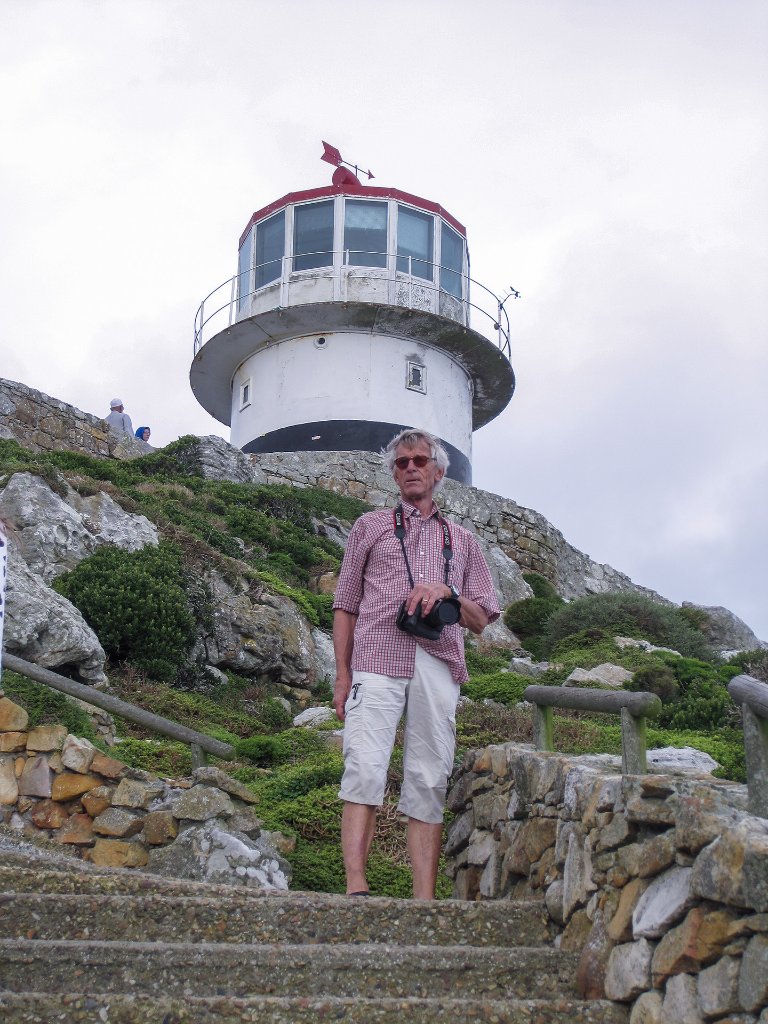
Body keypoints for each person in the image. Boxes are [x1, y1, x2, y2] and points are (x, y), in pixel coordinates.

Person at [332, 427, 500, 899]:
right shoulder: (369, 527)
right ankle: (356, 889)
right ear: (393, 472)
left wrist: (446, 591)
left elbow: (482, 618)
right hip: (377, 656)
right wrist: (342, 677)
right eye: (401, 462)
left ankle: (423, 900)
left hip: (439, 662)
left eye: (419, 460)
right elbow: (345, 604)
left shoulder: (463, 541)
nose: (410, 468)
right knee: (364, 767)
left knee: (428, 776)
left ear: (439, 471)